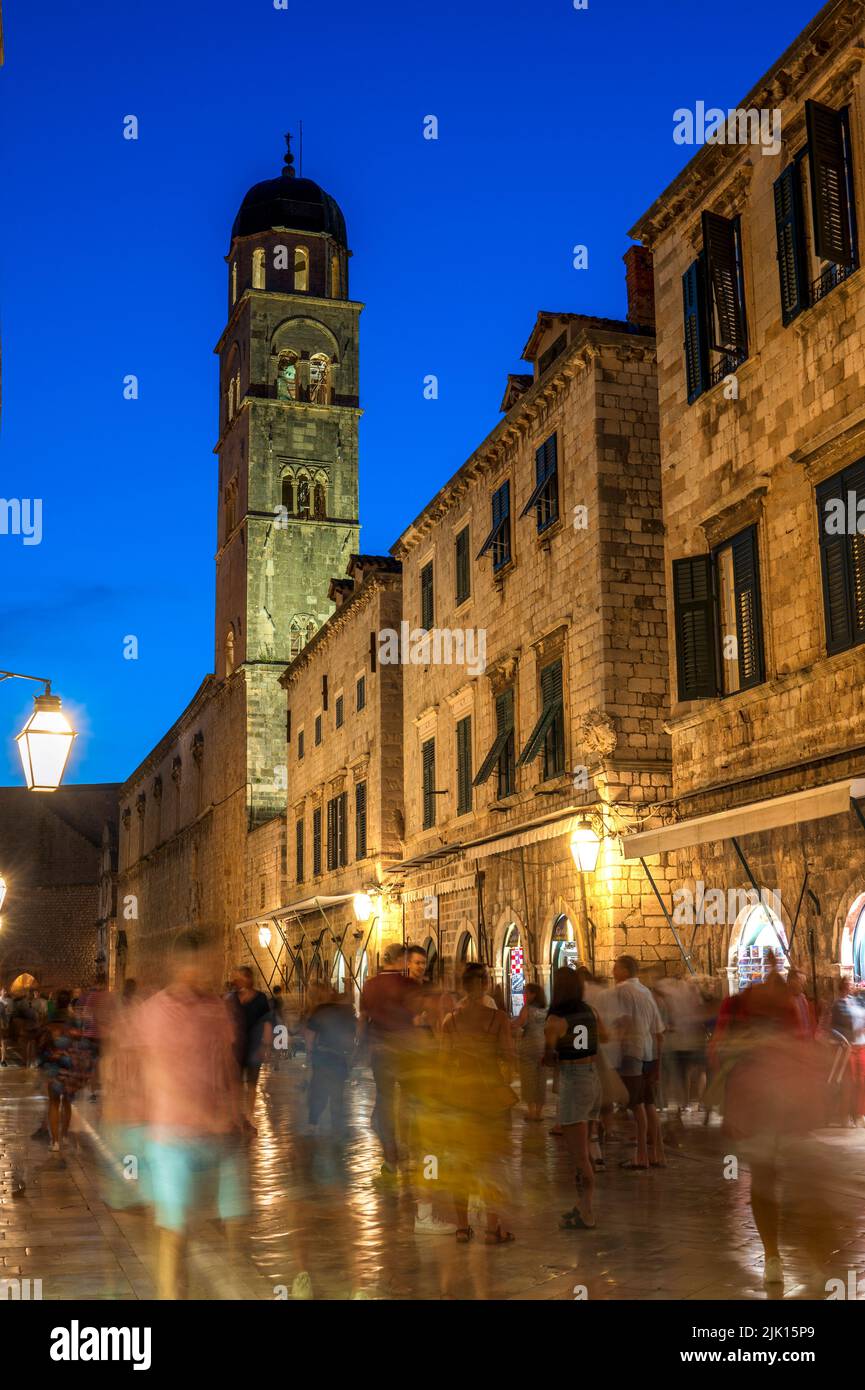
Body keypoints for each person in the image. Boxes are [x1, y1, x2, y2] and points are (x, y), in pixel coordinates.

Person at [136, 931, 247, 1300]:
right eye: (205, 964)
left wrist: (236, 1110)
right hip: (173, 1136)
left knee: (234, 1222)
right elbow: (157, 1075)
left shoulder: (215, 1006)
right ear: (184, 964)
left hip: (217, 1134)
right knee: (175, 1231)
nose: (212, 973)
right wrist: (205, 1115)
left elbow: (226, 1061)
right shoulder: (156, 1011)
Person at [440, 963, 516, 1244]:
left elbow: (443, 1062)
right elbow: (509, 1057)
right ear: (485, 985)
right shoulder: (498, 1019)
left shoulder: (451, 1021)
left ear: (463, 986)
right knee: (493, 1161)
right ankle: (493, 1227)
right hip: (491, 1096)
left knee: (460, 1162)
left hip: (459, 1095)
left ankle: (462, 1227)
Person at [545, 965, 604, 1229]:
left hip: (573, 1079)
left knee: (578, 1154)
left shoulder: (556, 1019)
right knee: (585, 1147)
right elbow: (606, 1036)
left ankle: (588, 1210)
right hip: (592, 1077)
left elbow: (549, 1054)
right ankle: (582, 1205)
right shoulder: (591, 1011)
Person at [359, 943, 421, 1180]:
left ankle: (390, 1156)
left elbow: (363, 1019)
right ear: (399, 960)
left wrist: (361, 1046)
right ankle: (407, 1148)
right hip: (406, 1051)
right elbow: (416, 1018)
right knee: (408, 1100)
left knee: (385, 1101)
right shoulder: (408, 985)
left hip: (380, 1051)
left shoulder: (370, 985)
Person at [613, 955, 666, 1170]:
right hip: (648, 1051)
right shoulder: (646, 992)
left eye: (615, 967)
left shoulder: (622, 990)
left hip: (631, 1052)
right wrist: (657, 1061)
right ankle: (659, 1153)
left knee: (636, 1106)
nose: (613, 971)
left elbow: (623, 1022)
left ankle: (641, 1155)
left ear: (625, 970)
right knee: (649, 1104)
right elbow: (658, 1031)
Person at [38, 989, 90, 1153]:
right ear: (68, 1002)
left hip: (53, 1067)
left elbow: (42, 1043)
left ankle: (55, 1142)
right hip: (69, 1067)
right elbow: (81, 1042)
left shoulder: (49, 1019)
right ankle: (65, 1135)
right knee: (67, 1103)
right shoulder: (74, 1019)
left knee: (53, 1103)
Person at [227, 965, 273, 1133]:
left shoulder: (260, 999)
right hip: (236, 1047)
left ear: (248, 978)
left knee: (252, 1085)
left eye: (239, 977)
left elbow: (267, 1023)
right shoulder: (230, 998)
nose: (235, 980)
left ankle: (249, 1117)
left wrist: (266, 1046)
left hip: (254, 1047)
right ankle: (236, 1117)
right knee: (235, 1084)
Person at [306, 985, 356, 1135]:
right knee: (337, 1093)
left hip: (322, 1056)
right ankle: (336, 1127)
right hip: (339, 1057)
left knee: (318, 1091)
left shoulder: (320, 1012)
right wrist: (352, 1055)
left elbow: (310, 1034)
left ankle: (313, 1123)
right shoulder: (347, 1013)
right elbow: (354, 1035)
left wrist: (309, 1054)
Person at [515, 982, 548, 1120]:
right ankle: (539, 1113)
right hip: (543, 1046)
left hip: (528, 1047)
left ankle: (531, 1112)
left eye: (526, 992)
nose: (524, 995)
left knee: (528, 1078)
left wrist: (510, 1024)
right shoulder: (546, 1010)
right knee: (541, 1079)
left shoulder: (527, 1009)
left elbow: (519, 1024)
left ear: (533, 994)